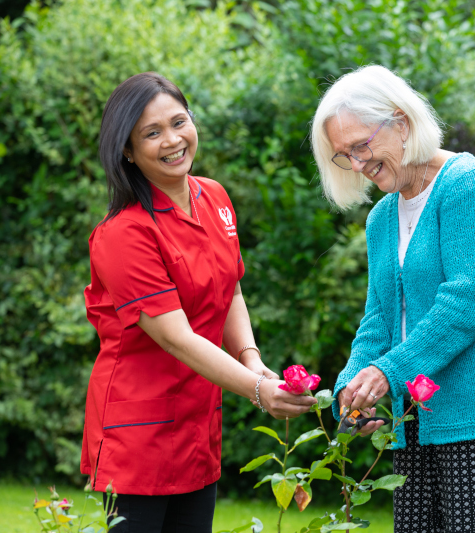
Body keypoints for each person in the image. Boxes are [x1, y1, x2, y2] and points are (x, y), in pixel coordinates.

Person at [310, 65, 475, 532]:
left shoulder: (470, 187)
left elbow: (466, 304)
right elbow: (379, 317)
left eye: (361, 146)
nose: (357, 164)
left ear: (401, 122)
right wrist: (352, 387)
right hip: (415, 409)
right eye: (344, 156)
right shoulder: (381, 218)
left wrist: (388, 372)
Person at [81, 72, 316, 532]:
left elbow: (230, 289)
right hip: (139, 435)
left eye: (179, 122)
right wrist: (256, 389)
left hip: (197, 423)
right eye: (152, 133)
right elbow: (176, 338)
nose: (172, 140)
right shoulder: (123, 235)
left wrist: (252, 359)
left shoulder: (215, 198)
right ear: (127, 151)